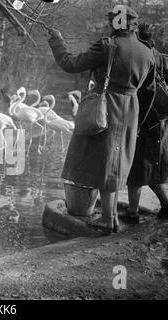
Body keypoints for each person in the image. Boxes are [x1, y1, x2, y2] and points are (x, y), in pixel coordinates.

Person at [44, 6, 156, 234]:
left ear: (115, 23)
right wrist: (138, 122)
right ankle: (112, 216)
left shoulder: (108, 46)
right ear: (133, 25)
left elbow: (71, 64)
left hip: (107, 108)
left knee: (104, 161)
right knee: (117, 163)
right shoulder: (147, 53)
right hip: (131, 110)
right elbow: (149, 92)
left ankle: (106, 218)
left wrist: (57, 40)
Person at [124, 23, 168, 223]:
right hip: (162, 120)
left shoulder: (140, 55)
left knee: (136, 167)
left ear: (136, 36)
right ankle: (166, 205)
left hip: (144, 120)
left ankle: (132, 212)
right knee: (152, 166)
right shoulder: (161, 57)